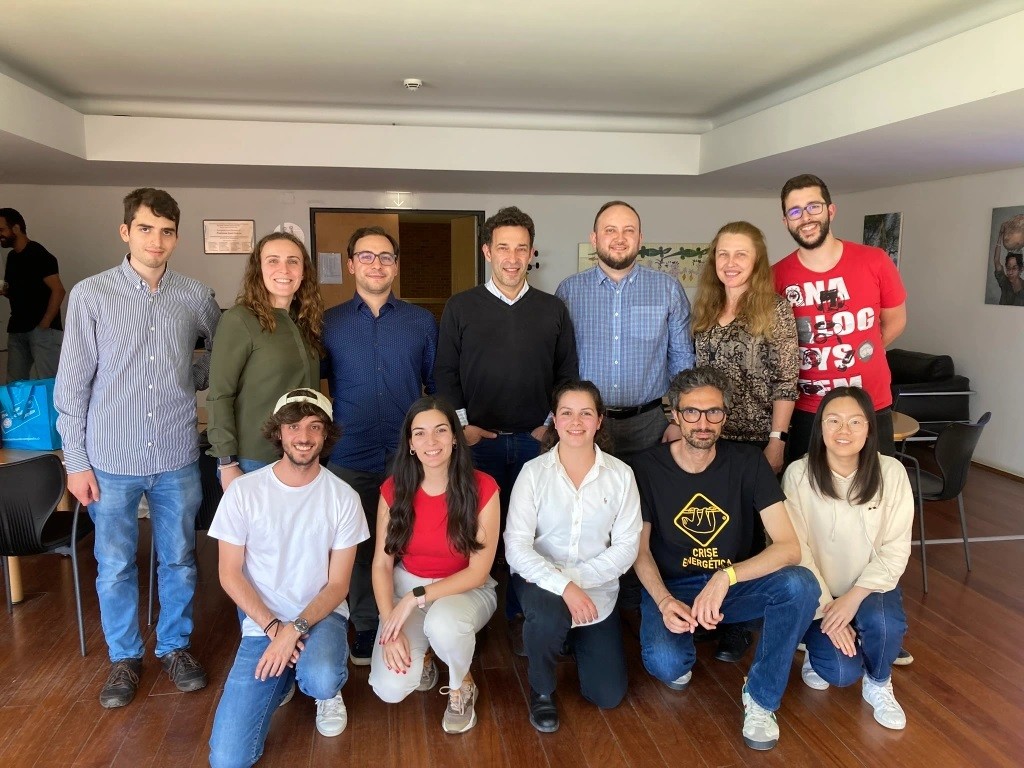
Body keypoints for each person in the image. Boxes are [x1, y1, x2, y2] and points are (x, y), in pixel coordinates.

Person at [54, 188, 221, 708]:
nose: (156, 241)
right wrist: (76, 462)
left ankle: (174, 646)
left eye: (167, 231)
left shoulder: (195, 295)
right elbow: (71, 386)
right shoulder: (91, 295)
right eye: (146, 229)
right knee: (115, 564)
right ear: (126, 231)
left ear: (176, 237)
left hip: (175, 456)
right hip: (111, 460)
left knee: (180, 559)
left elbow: (224, 348)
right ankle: (125, 657)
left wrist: (193, 376)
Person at [630, 367, 818, 751]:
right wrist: (663, 601)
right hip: (673, 587)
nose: (703, 423)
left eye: (713, 412)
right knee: (667, 665)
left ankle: (761, 699)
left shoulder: (748, 462)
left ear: (725, 416)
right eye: (692, 412)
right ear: (675, 415)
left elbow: (788, 547)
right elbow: (640, 551)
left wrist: (725, 577)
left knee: (801, 584)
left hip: (733, 585)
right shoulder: (646, 468)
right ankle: (690, 628)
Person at [434, 205, 577, 644]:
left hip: (537, 444)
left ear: (531, 253)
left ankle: (520, 616)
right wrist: (462, 429)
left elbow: (567, 374)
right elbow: (445, 374)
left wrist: (551, 425)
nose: (512, 258)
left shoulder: (552, 309)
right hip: (478, 444)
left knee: (533, 536)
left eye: (521, 249)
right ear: (487, 251)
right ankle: (466, 615)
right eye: (503, 248)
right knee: (473, 533)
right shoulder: (460, 307)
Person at [208, 389, 369, 767]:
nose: (303, 436)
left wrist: (292, 631)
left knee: (322, 677)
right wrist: (272, 628)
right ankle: (284, 674)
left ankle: (322, 689)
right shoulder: (244, 491)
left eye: (315, 427)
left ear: (326, 435)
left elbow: (338, 585)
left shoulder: (343, 497)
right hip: (262, 622)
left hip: (321, 614)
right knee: (228, 759)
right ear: (278, 432)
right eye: (293, 426)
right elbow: (229, 574)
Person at [324, 225, 438, 666]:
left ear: (396, 266)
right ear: (351, 264)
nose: (376, 264)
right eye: (367, 257)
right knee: (354, 545)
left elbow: (435, 387)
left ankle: (413, 618)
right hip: (348, 453)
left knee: (407, 539)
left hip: (406, 455)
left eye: (385, 257)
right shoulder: (328, 323)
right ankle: (368, 625)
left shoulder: (420, 322)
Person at [505, 380, 641, 733]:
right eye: (566, 413)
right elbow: (516, 547)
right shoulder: (533, 473)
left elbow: (626, 548)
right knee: (548, 616)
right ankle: (542, 689)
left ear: (599, 420)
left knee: (607, 695)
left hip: (597, 591)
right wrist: (564, 587)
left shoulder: (621, 476)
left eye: (585, 413)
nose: (576, 422)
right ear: (554, 419)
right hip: (540, 582)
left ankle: (570, 638)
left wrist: (576, 583)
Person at [692, 220, 801, 663]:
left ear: (756, 262)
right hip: (709, 436)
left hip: (756, 440)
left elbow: (787, 381)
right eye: (723, 254)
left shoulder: (774, 309)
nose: (730, 262)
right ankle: (710, 611)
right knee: (719, 530)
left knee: (753, 535)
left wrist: (777, 439)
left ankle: (739, 625)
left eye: (741, 254)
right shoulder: (705, 307)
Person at [782, 386, 912, 730]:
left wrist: (852, 599)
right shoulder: (798, 474)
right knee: (840, 672)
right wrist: (829, 609)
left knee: (885, 624)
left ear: (869, 427)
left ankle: (879, 682)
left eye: (855, 421)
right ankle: (815, 647)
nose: (844, 430)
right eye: (834, 421)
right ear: (820, 426)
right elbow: (795, 549)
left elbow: (896, 548)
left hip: (869, 588)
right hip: (818, 591)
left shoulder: (891, 473)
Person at [368, 396, 499, 734]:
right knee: (389, 688)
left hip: (465, 588)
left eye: (441, 430)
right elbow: (381, 564)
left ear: (455, 437)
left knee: (443, 623)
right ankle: (425, 654)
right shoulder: (393, 489)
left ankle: (461, 683)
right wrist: (389, 622)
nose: (432, 441)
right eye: (420, 433)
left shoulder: (484, 487)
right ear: (410, 444)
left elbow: (478, 572)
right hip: (407, 583)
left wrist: (413, 599)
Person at [773, 173, 907, 460]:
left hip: (868, 403)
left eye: (814, 206)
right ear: (786, 221)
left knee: (874, 483)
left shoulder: (875, 261)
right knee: (803, 483)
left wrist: (864, 349)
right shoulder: (777, 276)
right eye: (795, 211)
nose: (805, 217)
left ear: (831, 210)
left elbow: (896, 320)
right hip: (808, 408)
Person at [556, 200, 694, 456]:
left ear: (640, 238)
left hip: (651, 426)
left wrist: (680, 420)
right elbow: (558, 362)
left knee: (649, 484)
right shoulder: (569, 291)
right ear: (594, 238)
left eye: (628, 230)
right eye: (610, 230)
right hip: (586, 425)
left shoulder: (668, 289)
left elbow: (682, 359)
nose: (619, 238)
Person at [207, 231, 323, 489]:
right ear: (258, 270)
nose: (284, 269)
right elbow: (220, 395)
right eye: (273, 260)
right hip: (254, 459)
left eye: (293, 261)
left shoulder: (305, 322)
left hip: (301, 455)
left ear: (304, 272)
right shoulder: (239, 319)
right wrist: (226, 462)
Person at [0, 207, 66, 380]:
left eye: (1, 230)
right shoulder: (12, 257)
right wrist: (5, 291)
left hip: (42, 330)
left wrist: (45, 323)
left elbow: (58, 290)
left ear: (16, 228)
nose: (0, 235)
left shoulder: (38, 254)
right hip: (17, 328)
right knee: (14, 383)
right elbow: (19, 292)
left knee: (48, 380)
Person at [992, 220, 1024, 306]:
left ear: (1021, 269)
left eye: (1014, 268)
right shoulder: (1004, 282)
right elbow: (996, 260)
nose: (1010, 272)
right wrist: (1000, 235)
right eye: (1008, 268)